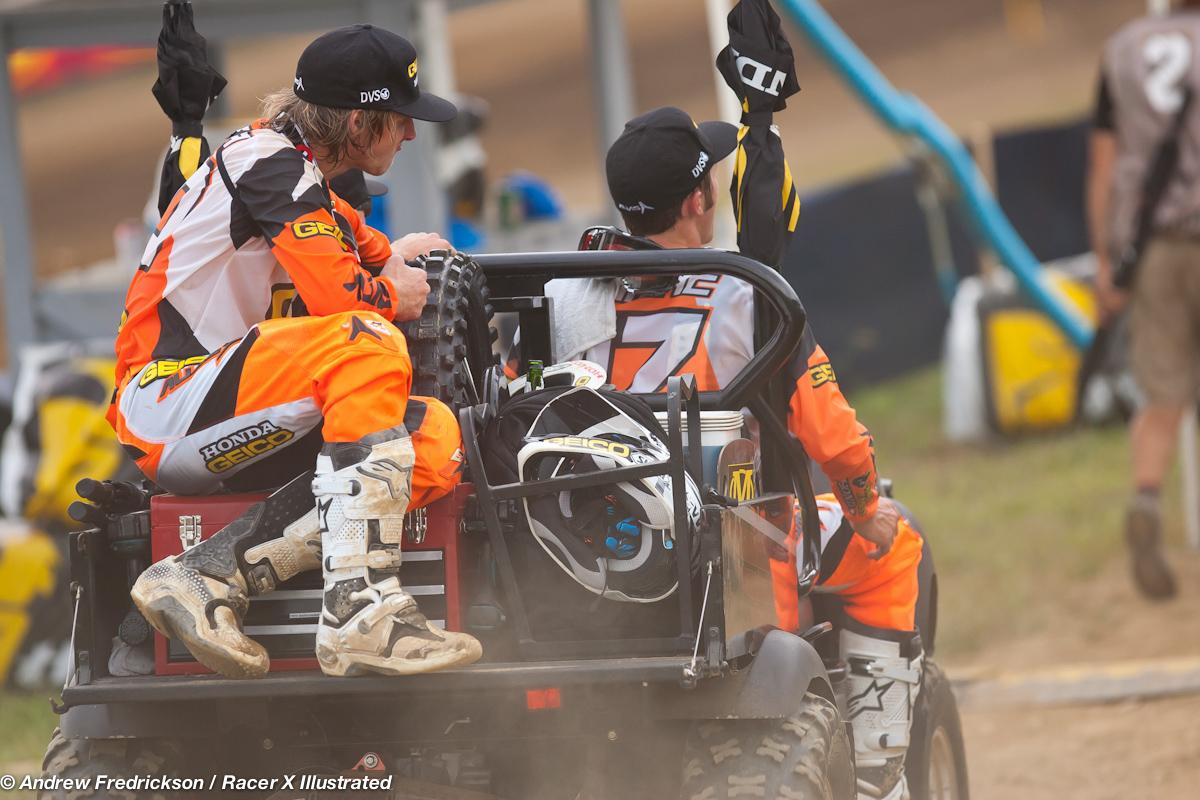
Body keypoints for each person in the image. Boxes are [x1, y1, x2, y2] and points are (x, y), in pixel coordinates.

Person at [547, 106, 924, 800]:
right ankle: (874, 777)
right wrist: (866, 507)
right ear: (697, 199)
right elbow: (833, 436)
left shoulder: (564, 293)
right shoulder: (747, 291)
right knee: (894, 548)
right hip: (733, 556)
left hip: (589, 551)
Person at [112, 25, 481, 678]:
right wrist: (392, 293)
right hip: (165, 396)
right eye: (402, 120)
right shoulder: (267, 162)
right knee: (367, 341)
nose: (413, 135)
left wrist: (399, 264)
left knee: (435, 441)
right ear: (362, 124)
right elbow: (350, 300)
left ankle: (210, 572)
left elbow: (375, 258)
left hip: (234, 411)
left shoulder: (305, 181)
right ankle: (363, 614)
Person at [1088, 0, 1200, 600]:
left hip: (1153, 249)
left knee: (1162, 394)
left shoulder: (1122, 50)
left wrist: (1107, 261)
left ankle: (1147, 499)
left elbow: (1103, 166)